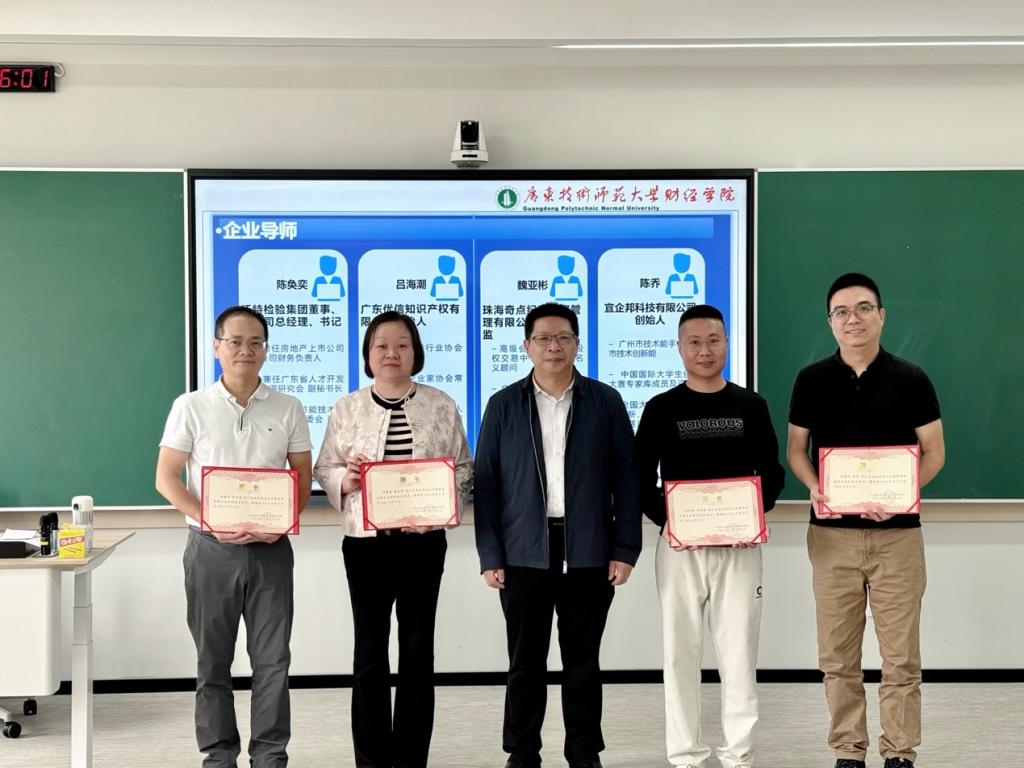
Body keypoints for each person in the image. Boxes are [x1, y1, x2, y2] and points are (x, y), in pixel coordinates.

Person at [787, 273, 945, 768]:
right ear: (830, 322)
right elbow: (796, 451)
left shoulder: (912, 378)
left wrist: (902, 495)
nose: (852, 319)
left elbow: (934, 452)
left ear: (881, 315)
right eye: (841, 312)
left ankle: (899, 752)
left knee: (901, 656)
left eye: (862, 308)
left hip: (898, 537)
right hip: (831, 537)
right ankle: (848, 750)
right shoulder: (811, 380)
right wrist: (815, 486)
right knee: (837, 656)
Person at [473, 302, 641, 768]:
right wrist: (490, 554)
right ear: (526, 346)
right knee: (524, 661)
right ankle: (522, 751)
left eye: (563, 337)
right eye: (543, 338)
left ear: (577, 344)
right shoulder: (503, 405)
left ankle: (584, 752)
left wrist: (625, 548)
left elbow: (627, 479)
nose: (554, 346)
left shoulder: (604, 402)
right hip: (523, 551)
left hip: (589, 549)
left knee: (583, 661)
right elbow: (486, 486)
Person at [155, 305, 313, 768]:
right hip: (210, 551)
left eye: (255, 342)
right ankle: (219, 755)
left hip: (271, 551)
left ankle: (270, 755)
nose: (246, 350)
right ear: (217, 347)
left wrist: (281, 519)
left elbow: (302, 478)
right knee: (213, 662)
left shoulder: (288, 406)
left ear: (265, 349)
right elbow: (166, 479)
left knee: (273, 662)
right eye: (236, 341)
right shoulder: (190, 406)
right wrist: (209, 521)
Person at [313, 311, 473, 768]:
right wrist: (347, 478)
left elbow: (464, 468)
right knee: (369, 653)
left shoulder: (441, 405)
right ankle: (371, 759)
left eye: (402, 345)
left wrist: (439, 510)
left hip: (423, 545)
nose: (391, 353)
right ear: (368, 355)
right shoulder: (347, 408)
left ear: (415, 353)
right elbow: (325, 467)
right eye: (381, 345)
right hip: (366, 545)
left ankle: (411, 758)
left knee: (418, 652)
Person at [634, 304, 785, 768]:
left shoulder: (751, 405)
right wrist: (673, 523)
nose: (705, 350)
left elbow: (773, 474)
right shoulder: (661, 408)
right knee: (679, 652)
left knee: (738, 653)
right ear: (679, 348)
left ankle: (739, 753)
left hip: (740, 548)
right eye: (695, 342)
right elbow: (639, 480)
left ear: (727, 344)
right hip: (680, 549)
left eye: (714, 340)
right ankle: (686, 754)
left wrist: (749, 518)